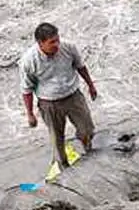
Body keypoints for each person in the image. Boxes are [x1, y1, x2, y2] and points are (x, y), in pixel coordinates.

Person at [20, 22, 98, 169]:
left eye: (57, 40)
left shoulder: (68, 47)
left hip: (73, 96)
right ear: (40, 43)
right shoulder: (29, 61)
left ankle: (88, 151)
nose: (57, 45)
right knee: (57, 139)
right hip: (49, 103)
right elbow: (27, 90)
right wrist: (30, 114)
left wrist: (91, 86)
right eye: (52, 42)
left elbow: (80, 66)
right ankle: (63, 166)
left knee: (87, 130)